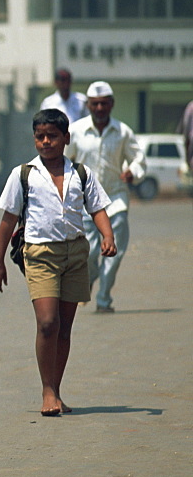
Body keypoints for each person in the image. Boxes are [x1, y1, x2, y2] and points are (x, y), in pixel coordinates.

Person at [0, 108, 115, 416]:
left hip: (75, 255)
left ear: (66, 138)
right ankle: (47, 392)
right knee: (48, 323)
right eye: (40, 136)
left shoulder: (81, 174)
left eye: (52, 136)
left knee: (64, 328)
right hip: (40, 255)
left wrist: (107, 236)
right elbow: (8, 219)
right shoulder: (24, 175)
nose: (46, 142)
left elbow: (97, 208)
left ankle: (56, 390)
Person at [65, 81, 145, 314]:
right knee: (89, 252)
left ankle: (104, 299)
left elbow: (139, 160)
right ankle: (89, 278)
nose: (99, 108)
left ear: (111, 105)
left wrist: (133, 172)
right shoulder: (77, 131)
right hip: (84, 203)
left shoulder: (123, 131)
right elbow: (64, 162)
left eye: (104, 104)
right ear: (88, 105)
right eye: (95, 104)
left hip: (115, 200)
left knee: (114, 251)